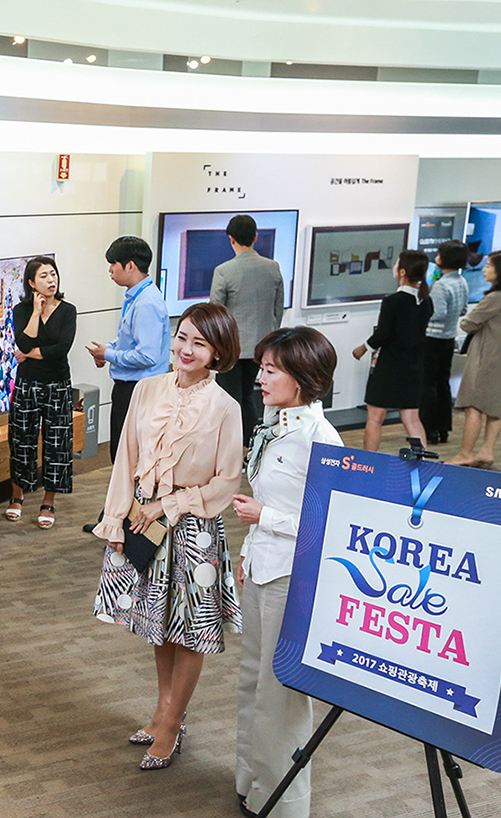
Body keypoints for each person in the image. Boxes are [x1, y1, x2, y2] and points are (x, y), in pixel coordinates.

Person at [92, 301, 243, 771]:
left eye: (200, 343)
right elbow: (125, 459)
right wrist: (115, 519)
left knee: (191, 630)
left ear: (218, 353)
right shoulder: (146, 389)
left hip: (194, 529)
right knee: (159, 623)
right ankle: (162, 712)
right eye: (182, 337)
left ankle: (174, 721)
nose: (186, 349)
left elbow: (227, 481)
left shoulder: (226, 407)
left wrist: (169, 505)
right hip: (143, 519)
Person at [231, 327, 341, 818]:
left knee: (282, 693)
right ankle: (252, 781)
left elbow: (332, 523)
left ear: (301, 378)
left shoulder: (321, 438)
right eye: (262, 368)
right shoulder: (274, 423)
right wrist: (249, 548)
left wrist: (265, 518)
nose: (260, 378)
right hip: (262, 567)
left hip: (292, 577)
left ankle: (283, 802)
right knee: (253, 680)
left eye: (271, 370)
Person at [81, 236, 171, 534]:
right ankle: (115, 515)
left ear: (130, 266)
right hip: (130, 388)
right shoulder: (137, 296)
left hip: (139, 391)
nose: (110, 270)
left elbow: (147, 355)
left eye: (113, 265)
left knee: (129, 458)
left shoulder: (146, 303)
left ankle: (122, 519)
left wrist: (108, 354)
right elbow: (129, 342)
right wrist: (108, 351)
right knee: (122, 456)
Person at [6, 256, 78, 529]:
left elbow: (61, 350)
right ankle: (17, 496)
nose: (51, 280)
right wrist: (36, 312)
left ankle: (48, 501)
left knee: (57, 444)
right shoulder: (21, 310)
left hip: (58, 383)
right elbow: (22, 342)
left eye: (53, 274)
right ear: (31, 282)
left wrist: (29, 354)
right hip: (27, 383)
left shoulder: (68, 310)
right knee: (21, 441)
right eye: (44, 276)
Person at [210, 214, 285, 443]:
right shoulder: (273, 267)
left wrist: (215, 348)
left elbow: (215, 314)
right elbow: (278, 309)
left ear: (231, 239)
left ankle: (230, 449)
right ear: (255, 236)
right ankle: (252, 446)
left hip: (231, 349)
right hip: (260, 348)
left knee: (228, 400)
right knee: (247, 398)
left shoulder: (224, 271)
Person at [448, 250, 501, 468]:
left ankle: (465, 453)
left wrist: (471, 322)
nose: (484, 269)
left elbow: (468, 323)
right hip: (500, 359)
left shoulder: (494, 297)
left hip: (485, 359)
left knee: (474, 407)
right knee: (495, 409)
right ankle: (486, 451)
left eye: (489, 265)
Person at [353, 250, 433, 451]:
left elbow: (383, 334)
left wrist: (363, 348)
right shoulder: (426, 301)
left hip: (389, 366)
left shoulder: (393, 301)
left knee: (375, 418)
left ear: (403, 272)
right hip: (414, 366)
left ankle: (369, 461)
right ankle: (423, 461)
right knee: (411, 418)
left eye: (397, 265)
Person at [420, 240, 471, 446]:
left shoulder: (441, 285)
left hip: (432, 339)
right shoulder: (462, 281)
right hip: (449, 339)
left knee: (428, 385)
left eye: (439, 254)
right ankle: (443, 428)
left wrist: (422, 312)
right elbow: (463, 310)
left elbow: (437, 313)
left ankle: (428, 429)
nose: (436, 257)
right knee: (443, 383)